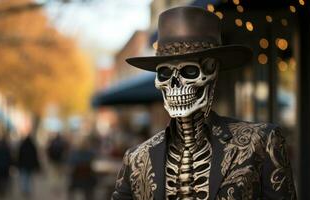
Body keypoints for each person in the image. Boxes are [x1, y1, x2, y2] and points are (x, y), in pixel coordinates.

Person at [112, 6, 297, 200]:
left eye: (189, 72)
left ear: (211, 72)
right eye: (165, 74)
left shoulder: (261, 142)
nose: (176, 84)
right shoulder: (136, 159)